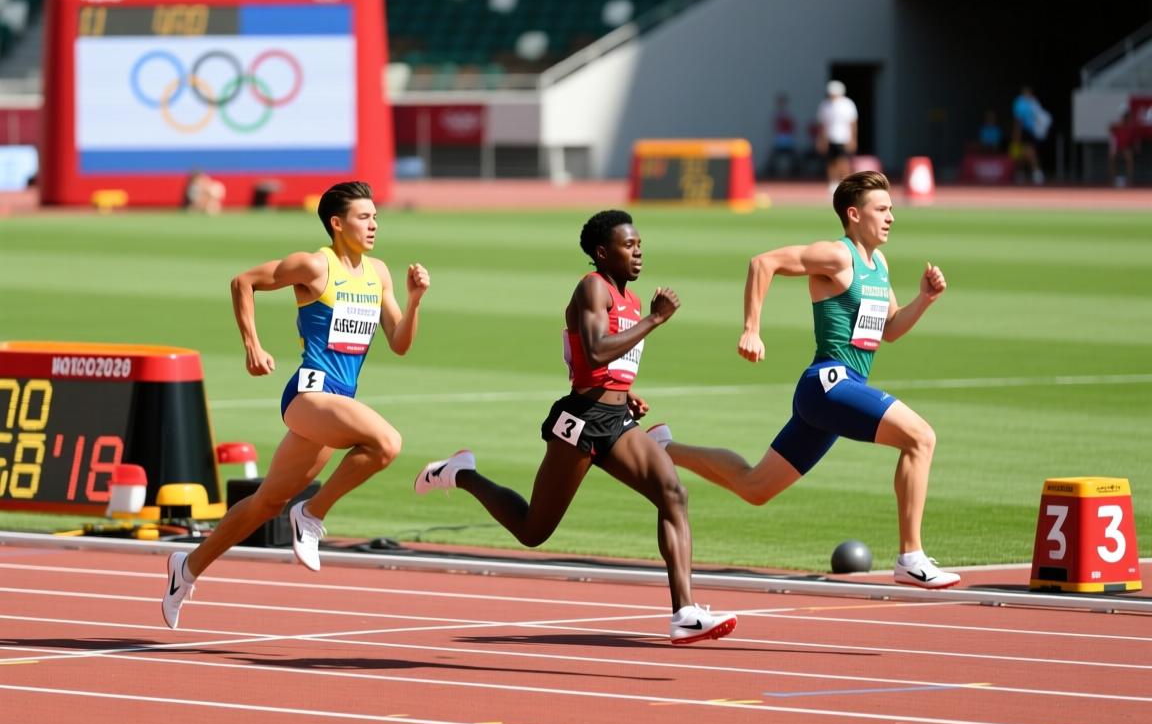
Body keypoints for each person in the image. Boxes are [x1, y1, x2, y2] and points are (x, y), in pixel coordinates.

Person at [413, 210, 737, 645]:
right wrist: (655, 321)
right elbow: (597, 349)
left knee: (672, 493)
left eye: (640, 243)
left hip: (616, 420)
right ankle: (460, 473)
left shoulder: (632, 300)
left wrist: (626, 392)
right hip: (580, 422)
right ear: (603, 253)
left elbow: (601, 365)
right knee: (533, 530)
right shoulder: (592, 288)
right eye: (628, 245)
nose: (638, 251)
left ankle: (684, 612)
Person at [647, 170, 960, 590]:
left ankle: (665, 446)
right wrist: (752, 328)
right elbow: (764, 262)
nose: (890, 218)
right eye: (881, 209)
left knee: (755, 487)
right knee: (920, 437)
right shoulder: (837, 255)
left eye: (891, 210)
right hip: (829, 383)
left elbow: (890, 329)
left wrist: (925, 298)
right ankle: (911, 556)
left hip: (831, 395)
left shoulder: (878, 264)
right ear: (854, 214)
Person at [162, 180, 430, 628]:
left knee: (266, 504)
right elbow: (242, 282)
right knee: (387, 443)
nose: (374, 225)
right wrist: (252, 345)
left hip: (338, 400)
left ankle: (185, 569)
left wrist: (415, 299)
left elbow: (400, 343)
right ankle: (312, 512)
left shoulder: (379, 273)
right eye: (364, 218)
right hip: (309, 393)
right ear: (337, 223)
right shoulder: (313, 265)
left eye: (376, 217)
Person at [816, 80, 858, 193]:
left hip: (844, 137)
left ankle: (845, 183)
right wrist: (821, 139)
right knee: (831, 161)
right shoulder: (825, 105)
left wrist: (853, 139)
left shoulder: (847, 104)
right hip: (830, 137)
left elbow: (852, 123)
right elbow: (822, 124)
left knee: (843, 161)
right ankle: (833, 183)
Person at [1011, 86, 1051, 185]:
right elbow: (1018, 121)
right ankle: (1029, 173)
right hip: (1024, 132)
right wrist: (1017, 135)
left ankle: (1032, 173)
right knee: (1024, 153)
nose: (1028, 94)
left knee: (1027, 153)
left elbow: (1042, 118)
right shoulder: (1020, 104)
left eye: (1029, 93)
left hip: (1031, 132)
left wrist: (1042, 130)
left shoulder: (1033, 103)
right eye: (1026, 93)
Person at [1108, 106, 1136, 188]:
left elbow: (1134, 141)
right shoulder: (1116, 126)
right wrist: (1113, 149)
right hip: (1117, 148)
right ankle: (1112, 180)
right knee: (1112, 157)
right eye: (1124, 116)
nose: (1126, 118)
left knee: (1129, 157)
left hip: (1126, 148)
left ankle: (1129, 180)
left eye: (1127, 116)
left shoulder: (1131, 127)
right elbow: (1112, 137)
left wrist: (1134, 147)